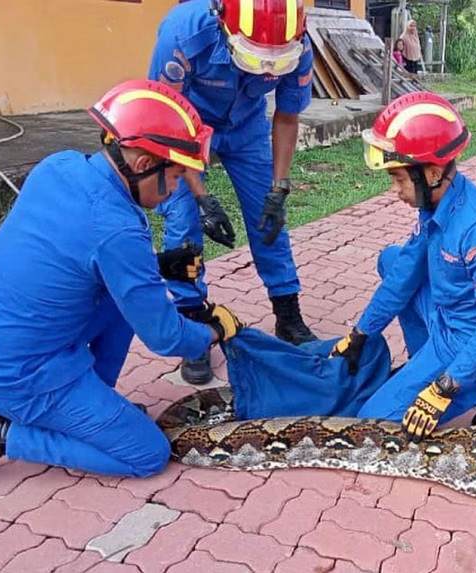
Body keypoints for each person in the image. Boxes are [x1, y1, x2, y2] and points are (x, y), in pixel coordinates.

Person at [0, 80, 244, 477]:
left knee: (120, 300)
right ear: (144, 165)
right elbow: (165, 338)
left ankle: (91, 406)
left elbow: (68, 257)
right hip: (22, 373)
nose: (176, 188)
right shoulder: (118, 229)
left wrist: (161, 265)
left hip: (9, 336)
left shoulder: (60, 165)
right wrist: (215, 330)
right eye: (177, 176)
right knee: (147, 455)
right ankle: (4, 435)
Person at [329, 92, 476, 442]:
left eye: (400, 179)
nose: (395, 190)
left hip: (470, 339)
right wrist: (361, 334)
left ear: (433, 173)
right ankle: (425, 364)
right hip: (446, 317)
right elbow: (405, 271)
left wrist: (444, 387)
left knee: (373, 423)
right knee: (392, 260)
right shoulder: (435, 206)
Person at [148, 0, 319, 385]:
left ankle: (288, 315)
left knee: (269, 219)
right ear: (225, 26)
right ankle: (192, 327)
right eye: (255, 57)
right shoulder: (181, 36)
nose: (266, 67)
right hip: (185, 127)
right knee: (183, 222)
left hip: (246, 127)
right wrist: (201, 196)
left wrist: (279, 188)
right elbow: (167, 120)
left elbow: (288, 116)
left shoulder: (300, 44)